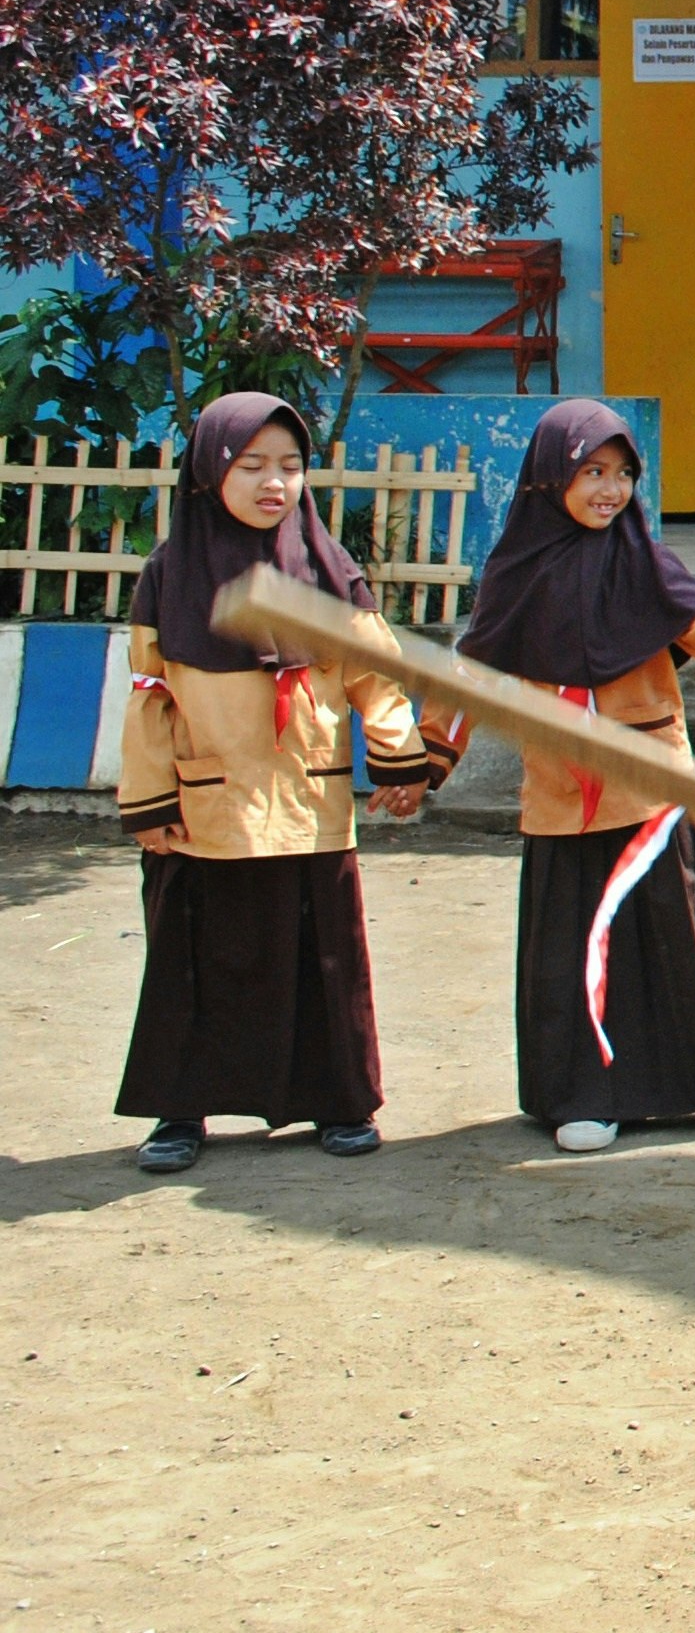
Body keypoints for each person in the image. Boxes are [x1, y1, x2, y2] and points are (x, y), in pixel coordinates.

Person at [440, 399, 695, 1153]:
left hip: (651, 789)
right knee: (573, 948)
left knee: (686, 940)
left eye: (623, 474)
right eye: (591, 472)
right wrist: (422, 758)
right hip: (563, 794)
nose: (609, 489)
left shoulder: (646, 566)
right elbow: (469, 674)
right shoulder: (514, 575)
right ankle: (583, 1093)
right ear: (550, 477)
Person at [114, 393, 428, 1172]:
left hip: (309, 803)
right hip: (204, 808)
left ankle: (339, 1103)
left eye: (289, 466)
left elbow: (375, 676)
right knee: (193, 962)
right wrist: (149, 799)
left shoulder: (330, 568)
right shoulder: (170, 574)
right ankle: (181, 1113)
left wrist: (397, 758)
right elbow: (152, 696)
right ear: (209, 470)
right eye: (250, 465)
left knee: (324, 958)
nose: (273, 483)